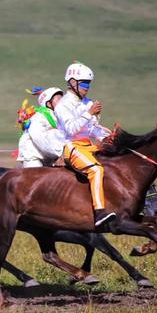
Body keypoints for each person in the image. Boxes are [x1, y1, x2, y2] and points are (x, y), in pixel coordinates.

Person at [54, 62, 114, 227]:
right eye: (84, 83)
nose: (87, 87)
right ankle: (100, 212)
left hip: (88, 146)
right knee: (96, 169)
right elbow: (71, 129)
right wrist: (89, 113)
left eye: (89, 83)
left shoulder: (88, 103)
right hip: (71, 147)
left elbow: (93, 130)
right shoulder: (63, 105)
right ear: (72, 82)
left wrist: (107, 137)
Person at [16, 87, 65, 168]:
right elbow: (38, 138)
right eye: (59, 99)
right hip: (33, 157)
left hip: (48, 157)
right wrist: (59, 154)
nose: (63, 102)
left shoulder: (59, 117)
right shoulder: (40, 117)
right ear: (49, 104)